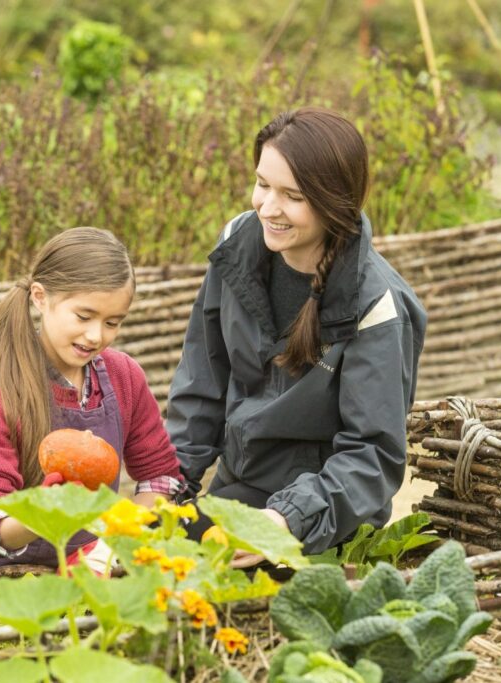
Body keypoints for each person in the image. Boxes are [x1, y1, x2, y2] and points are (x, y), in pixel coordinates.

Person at [167, 107, 427, 562]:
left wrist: (284, 522)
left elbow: (373, 457)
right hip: (239, 493)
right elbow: (201, 385)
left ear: (334, 201)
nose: (268, 207)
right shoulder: (238, 250)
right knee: (135, 562)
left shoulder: (377, 305)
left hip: (326, 522)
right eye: (263, 184)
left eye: (292, 195)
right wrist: (168, 488)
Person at [0, 227, 185, 568]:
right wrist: (43, 514)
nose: (96, 335)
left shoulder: (124, 377)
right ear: (40, 297)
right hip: (16, 580)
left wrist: (117, 541)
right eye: (84, 316)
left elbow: (160, 476)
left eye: (113, 322)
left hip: (96, 568)